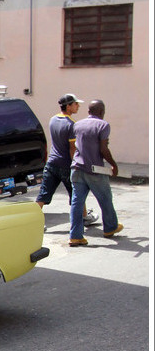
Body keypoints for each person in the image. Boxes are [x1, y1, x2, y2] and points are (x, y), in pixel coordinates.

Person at [68, 100, 123, 247]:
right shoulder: (103, 125)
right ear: (101, 111)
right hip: (94, 170)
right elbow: (103, 149)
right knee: (105, 198)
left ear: (88, 111)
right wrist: (113, 164)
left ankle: (75, 236)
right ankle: (110, 228)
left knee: (77, 203)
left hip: (77, 168)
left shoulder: (77, 124)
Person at [36, 94, 97, 226]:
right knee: (77, 192)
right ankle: (84, 217)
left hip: (52, 162)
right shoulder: (72, 124)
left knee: (44, 193)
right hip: (65, 164)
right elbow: (72, 148)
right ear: (68, 106)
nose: (78, 106)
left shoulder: (53, 119)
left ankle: (34, 220)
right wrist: (75, 165)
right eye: (75, 104)